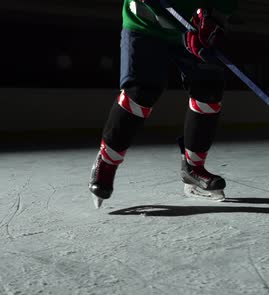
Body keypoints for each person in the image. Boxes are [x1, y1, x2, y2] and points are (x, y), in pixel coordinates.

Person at [89, 0, 238, 208]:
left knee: (209, 91)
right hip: (145, 25)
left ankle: (193, 169)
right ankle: (106, 162)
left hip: (192, 28)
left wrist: (213, 21)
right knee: (141, 92)